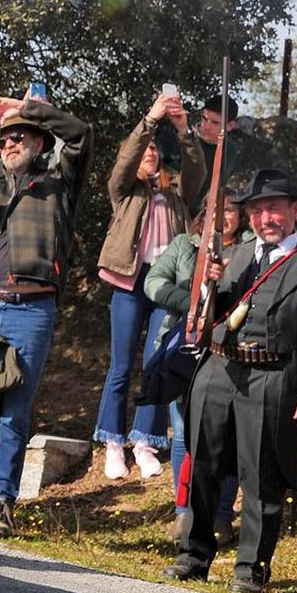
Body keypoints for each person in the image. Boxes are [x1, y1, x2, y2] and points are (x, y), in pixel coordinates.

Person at [165, 169, 297, 593]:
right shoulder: (232, 256)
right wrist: (208, 284)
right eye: (256, 210)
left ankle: (251, 568)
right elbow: (207, 315)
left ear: (294, 211)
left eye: (273, 208)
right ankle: (192, 556)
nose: (264, 218)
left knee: (262, 476)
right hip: (219, 370)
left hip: (274, 379)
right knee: (201, 465)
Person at [0, 94, 92, 539]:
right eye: (5, 137)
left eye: (21, 136)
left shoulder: (59, 181)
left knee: (14, 411)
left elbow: (82, 135)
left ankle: (1, 503)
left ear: (39, 142)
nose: (10, 143)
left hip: (31, 308)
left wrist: (29, 107)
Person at [93, 90, 204, 480]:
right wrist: (150, 120)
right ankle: (112, 442)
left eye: (155, 150)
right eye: (145, 151)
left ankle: (144, 441)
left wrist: (182, 129)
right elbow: (124, 161)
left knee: (157, 363)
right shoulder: (124, 191)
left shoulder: (176, 192)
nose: (150, 154)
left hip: (165, 286)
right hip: (128, 279)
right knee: (121, 364)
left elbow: (198, 171)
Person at [145, 188, 245, 545]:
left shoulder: (250, 247)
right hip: (187, 349)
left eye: (231, 210)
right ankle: (184, 513)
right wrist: (192, 302)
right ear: (205, 213)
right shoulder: (184, 245)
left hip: (230, 351)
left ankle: (220, 516)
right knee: (185, 434)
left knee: (228, 435)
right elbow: (153, 282)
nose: (224, 217)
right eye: (217, 210)